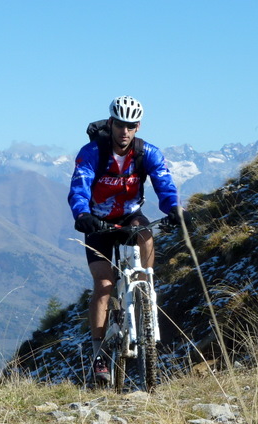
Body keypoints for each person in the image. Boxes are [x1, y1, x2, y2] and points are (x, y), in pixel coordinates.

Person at [67, 95, 189, 384]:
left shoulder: (147, 153)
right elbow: (79, 185)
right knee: (104, 285)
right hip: (97, 222)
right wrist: (82, 213)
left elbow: (163, 181)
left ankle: (145, 285)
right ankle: (99, 357)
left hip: (131, 217)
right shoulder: (92, 152)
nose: (125, 131)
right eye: (120, 125)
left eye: (131, 126)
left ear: (137, 127)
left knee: (145, 232)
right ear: (111, 123)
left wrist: (173, 208)